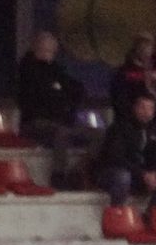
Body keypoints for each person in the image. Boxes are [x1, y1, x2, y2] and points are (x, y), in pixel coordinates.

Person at [16, 30, 96, 189]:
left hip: (63, 121)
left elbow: (75, 89)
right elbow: (40, 97)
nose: (48, 54)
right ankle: (58, 176)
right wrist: (57, 94)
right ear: (35, 48)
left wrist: (61, 96)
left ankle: (79, 170)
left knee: (101, 134)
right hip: (36, 123)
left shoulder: (57, 70)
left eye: (52, 51)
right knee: (62, 133)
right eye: (45, 50)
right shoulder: (26, 70)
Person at [97, 93, 156, 209]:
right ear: (134, 108)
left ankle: (152, 214)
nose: (146, 112)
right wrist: (142, 174)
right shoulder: (119, 127)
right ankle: (117, 214)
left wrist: (154, 173)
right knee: (123, 177)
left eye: (150, 108)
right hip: (115, 172)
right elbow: (116, 158)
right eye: (143, 107)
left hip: (141, 174)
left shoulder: (155, 129)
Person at [110, 33, 156, 117]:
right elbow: (120, 99)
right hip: (133, 119)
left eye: (149, 46)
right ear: (136, 48)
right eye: (142, 46)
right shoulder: (124, 72)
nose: (146, 50)